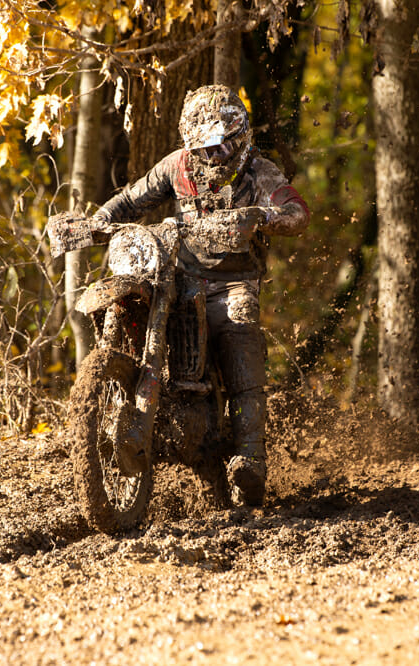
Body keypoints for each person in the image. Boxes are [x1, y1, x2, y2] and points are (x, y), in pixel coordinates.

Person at [92, 84, 310, 505]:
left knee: (238, 323)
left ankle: (250, 457)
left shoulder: (259, 173)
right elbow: (131, 200)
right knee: (135, 299)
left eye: (222, 147)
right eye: (204, 148)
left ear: (239, 139)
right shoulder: (177, 166)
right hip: (179, 274)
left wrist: (263, 215)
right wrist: (97, 221)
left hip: (233, 281)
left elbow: (297, 211)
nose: (213, 157)